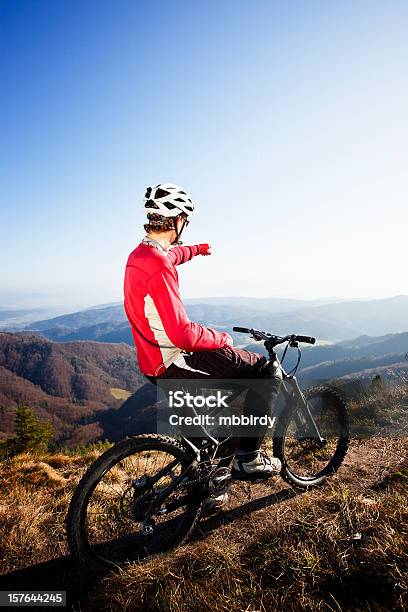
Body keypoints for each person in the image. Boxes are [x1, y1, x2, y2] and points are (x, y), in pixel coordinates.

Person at [124, 183, 282, 505]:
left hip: (151, 360)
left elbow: (170, 254)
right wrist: (221, 338)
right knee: (266, 371)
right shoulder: (158, 266)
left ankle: (211, 489)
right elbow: (182, 333)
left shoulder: (140, 255)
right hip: (173, 358)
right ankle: (248, 459)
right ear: (178, 218)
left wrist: (195, 250)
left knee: (206, 434)